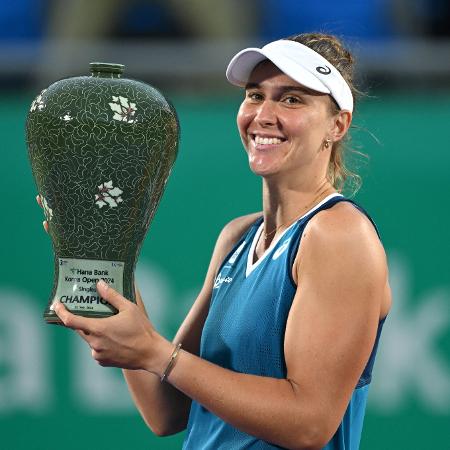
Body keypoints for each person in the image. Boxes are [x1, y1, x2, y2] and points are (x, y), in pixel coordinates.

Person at [46, 32, 391, 450]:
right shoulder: (237, 237)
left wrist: (157, 353)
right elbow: (167, 409)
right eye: (254, 95)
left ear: (337, 125)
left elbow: (310, 424)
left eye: (292, 99)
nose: (263, 115)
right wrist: (105, 250)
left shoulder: (339, 235)